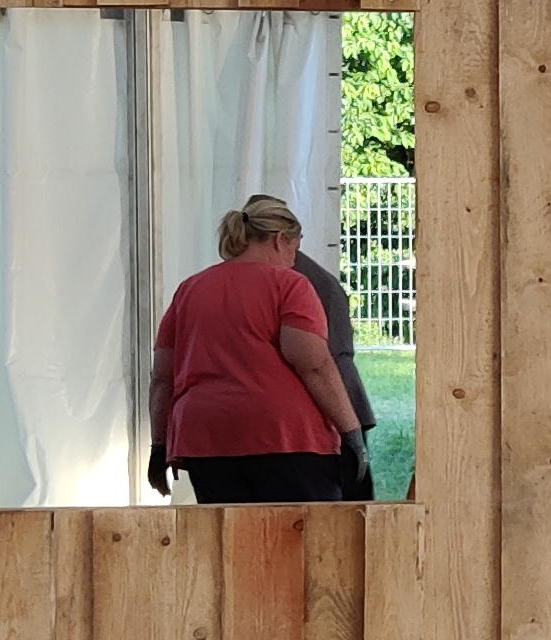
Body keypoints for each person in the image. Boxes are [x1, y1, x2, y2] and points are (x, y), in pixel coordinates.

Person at [147, 195, 367, 503]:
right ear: (280, 239)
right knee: (300, 531)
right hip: (285, 436)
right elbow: (313, 363)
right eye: (295, 248)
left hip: (204, 438)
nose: (294, 259)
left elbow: (162, 377)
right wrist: (351, 432)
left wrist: (159, 445)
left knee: (228, 531)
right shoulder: (290, 284)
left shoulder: (190, 289)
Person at [289, 242, 381, 500]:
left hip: (330, 396)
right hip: (337, 395)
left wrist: (349, 429)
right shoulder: (304, 276)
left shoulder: (297, 280)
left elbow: (317, 361)